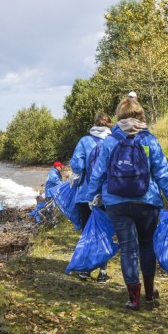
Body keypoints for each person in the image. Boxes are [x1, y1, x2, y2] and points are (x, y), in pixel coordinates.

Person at [86, 96, 168, 311]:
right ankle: (150, 293)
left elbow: (99, 172)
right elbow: (162, 172)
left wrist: (93, 195)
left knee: (128, 248)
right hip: (147, 202)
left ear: (120, 117)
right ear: (140, 115)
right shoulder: (149, 140)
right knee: (147, 244)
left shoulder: (111, 141)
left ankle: (133, 298)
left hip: (116, 203)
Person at [69, 112, 113, 283]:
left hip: (84, 195)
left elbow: (77, 165)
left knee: (87, 232)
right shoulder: (113, 141)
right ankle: (102, 272)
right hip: (106, 195)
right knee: (104, 232)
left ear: (94, 124)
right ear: (109, 125)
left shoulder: (85, 141)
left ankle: (85, 270)